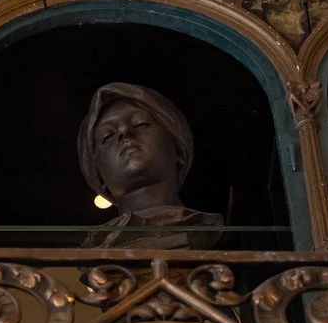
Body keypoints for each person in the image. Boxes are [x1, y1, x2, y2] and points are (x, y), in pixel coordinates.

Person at [79, 82, 224, 248]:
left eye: (141, 123)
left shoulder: (199, 227)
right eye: (108, 135)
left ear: (177, 148)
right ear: (99, 174)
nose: (124, 132)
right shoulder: (98, 244)